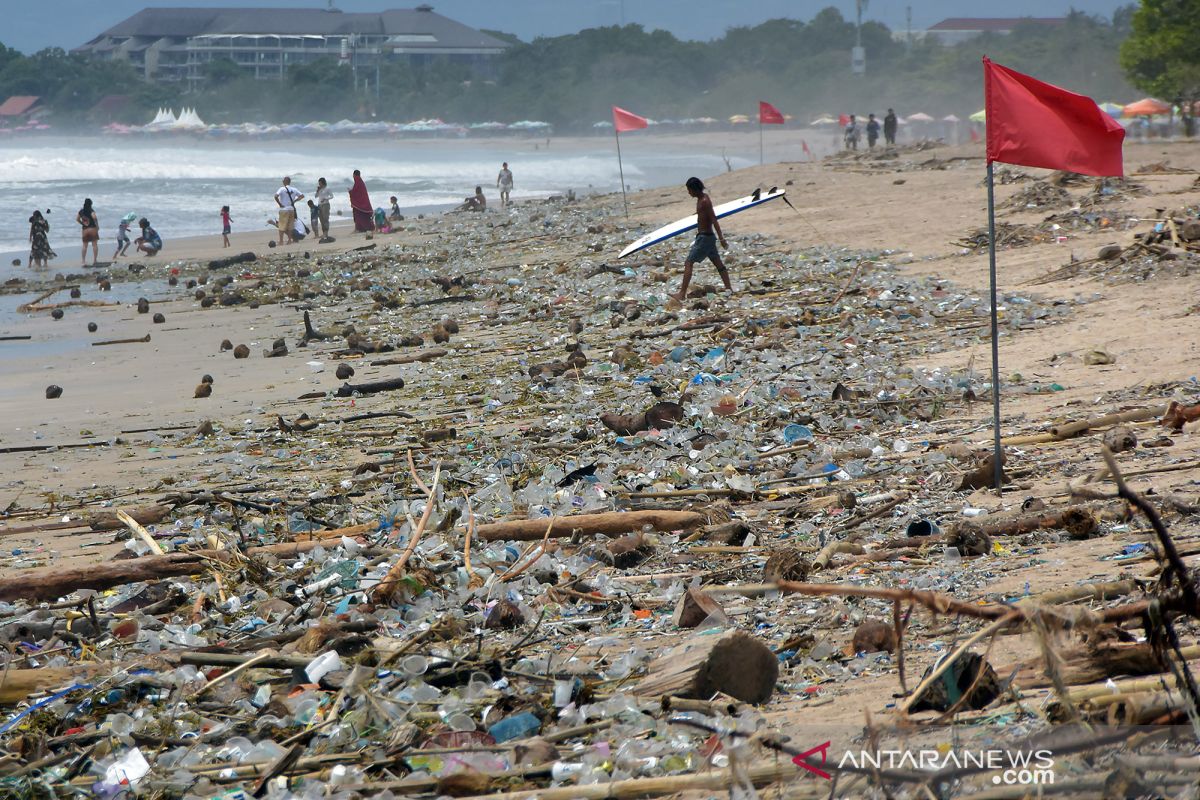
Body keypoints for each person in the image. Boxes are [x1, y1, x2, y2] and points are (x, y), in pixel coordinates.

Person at [672, 177, 730, 301]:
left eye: (689, 190)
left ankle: (681, 294)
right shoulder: (700, 200)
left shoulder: (704, 201)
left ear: (695, 189)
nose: (689, 193)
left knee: (688, 262)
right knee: (718, 263)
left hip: (704, 238)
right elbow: (704, 216)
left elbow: (713, 219)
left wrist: (722, 238)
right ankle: (729, 289)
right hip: (708, 238)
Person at [274, 176, 303, 245]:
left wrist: (280, 204)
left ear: (284, 181)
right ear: (289, 182)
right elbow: (302, 196)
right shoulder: (294, 189)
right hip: (291, 209)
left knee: (281, 225)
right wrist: (295, 201)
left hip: (284, 209)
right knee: (290, 226)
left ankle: (281, 241)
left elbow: (275, 196)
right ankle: (289, 240)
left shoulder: (282, 189)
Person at [76, 198, 99, 266]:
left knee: (84, 246)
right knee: (94, 245)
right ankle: (94, 260)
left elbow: (77, 219)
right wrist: (97, 225)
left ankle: (83, 261)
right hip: (92, 228)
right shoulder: (91, 210)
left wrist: (82, 223)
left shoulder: (81, 211)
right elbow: (94, 217)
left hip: (85, 230)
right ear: (91, 204)